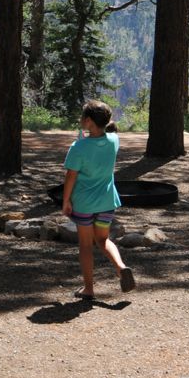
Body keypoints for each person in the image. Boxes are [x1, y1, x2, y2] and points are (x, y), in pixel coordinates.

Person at [61, 100, 135, 298]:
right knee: (103, 240)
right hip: (107, 202)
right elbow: (107, 135)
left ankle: (89, 289)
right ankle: (121, 267)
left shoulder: (78, 147)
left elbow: (71, 176)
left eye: (82, 116)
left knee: (86, 245)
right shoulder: (114, 141)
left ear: (88, 121)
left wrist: (66, 200)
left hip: (84, 203)